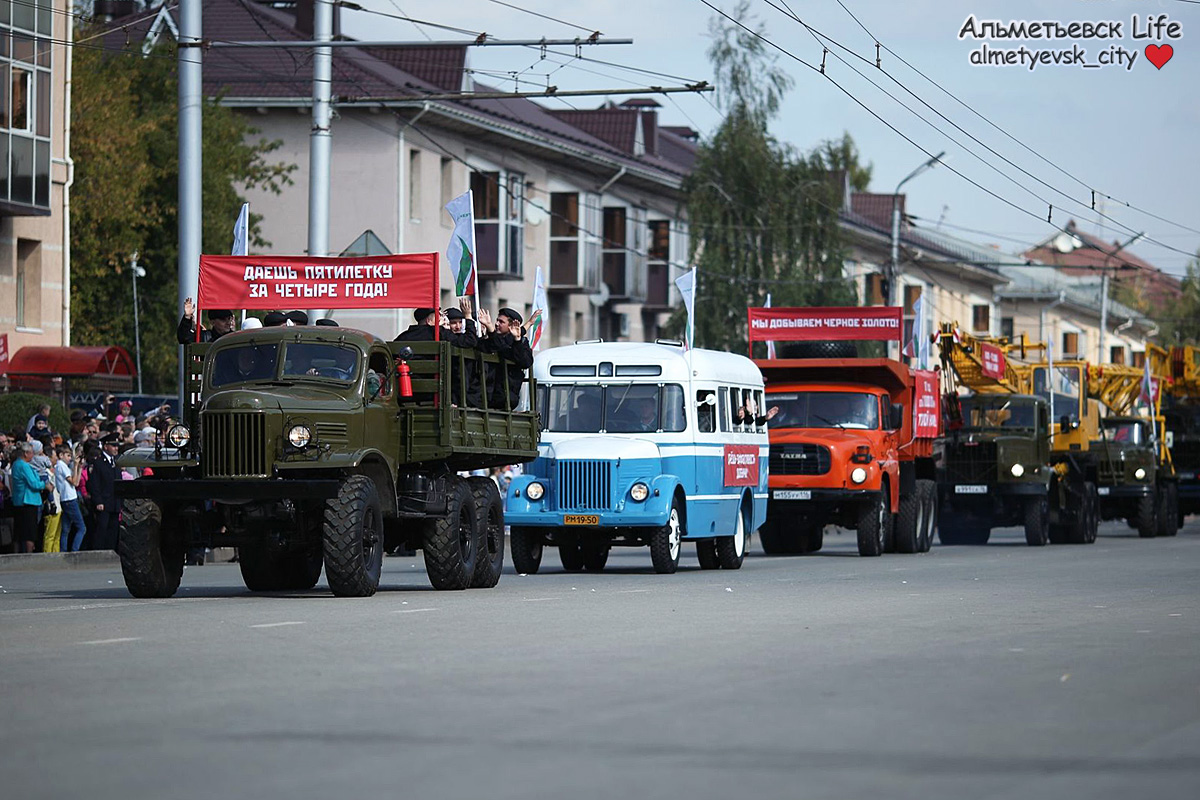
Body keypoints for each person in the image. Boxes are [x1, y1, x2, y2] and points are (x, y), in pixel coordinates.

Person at [478, 307, 534, 410]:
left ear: (511, 326)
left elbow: (526, 362)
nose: (496, 324)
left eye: (501, 322)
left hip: (505, 396)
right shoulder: (492, 339)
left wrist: (517, 340)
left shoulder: (520, 342)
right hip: (485, 395)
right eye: (497, 320)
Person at [10, 443, 50, 553]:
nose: (33, 455)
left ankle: (16, 554)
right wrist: (45, 485)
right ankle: (29, 555)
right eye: (32, 453)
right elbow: (33, 483)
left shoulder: (16, 464)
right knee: (30, 532)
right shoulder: (24, 466)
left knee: (18, 531)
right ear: (26, 453)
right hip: (28, 501)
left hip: (18, 500)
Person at [86, 433, 121, 551]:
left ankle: (110, 551)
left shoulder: (116, 462)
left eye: (117, 445)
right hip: (104, 502)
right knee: (102, 529)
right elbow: (94, 484)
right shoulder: (99, 463)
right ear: (106, 446)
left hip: (115, 502)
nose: (116, 448)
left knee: (113, 530)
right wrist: (98, 501)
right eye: (113, 445)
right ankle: (99, 552)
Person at [54, 444, 86, 552]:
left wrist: (79, 467)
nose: (69, 458)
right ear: (61, 455)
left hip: (66, 499)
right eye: (68, 455)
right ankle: (74, 550)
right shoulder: (61, 466)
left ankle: (63, 550)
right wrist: (76, 466)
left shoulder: (61, 466)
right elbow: (74, 482)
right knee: (82, 528)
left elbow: (75, 481)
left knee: (66, 529)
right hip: (69, 499)